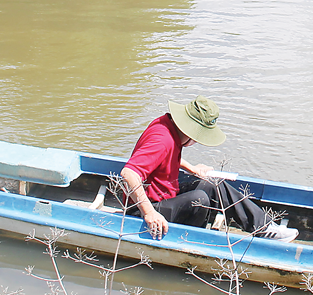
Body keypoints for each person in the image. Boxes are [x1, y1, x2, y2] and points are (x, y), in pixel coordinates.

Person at [120, 96, 297, 242]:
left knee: (213, 185)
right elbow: (129, 174)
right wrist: (149, 213)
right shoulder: (162, 139)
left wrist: (192, 168)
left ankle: (264, 228)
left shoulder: (169, 128)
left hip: (165, 196)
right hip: (143, 209)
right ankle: (191, 242)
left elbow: (164, 157)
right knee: (200, 199)